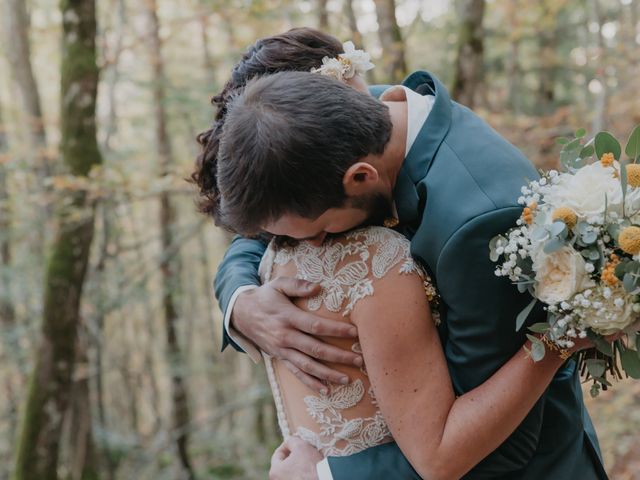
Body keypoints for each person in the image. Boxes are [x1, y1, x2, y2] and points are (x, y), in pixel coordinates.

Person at [193, 29, 607, 479]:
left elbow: (500, 445)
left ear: (361, 178)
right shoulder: (341, 126)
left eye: (320, 231)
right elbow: (264, 229)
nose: (310, 247)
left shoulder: (479, 224)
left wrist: (326, 475)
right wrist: (241, 302)